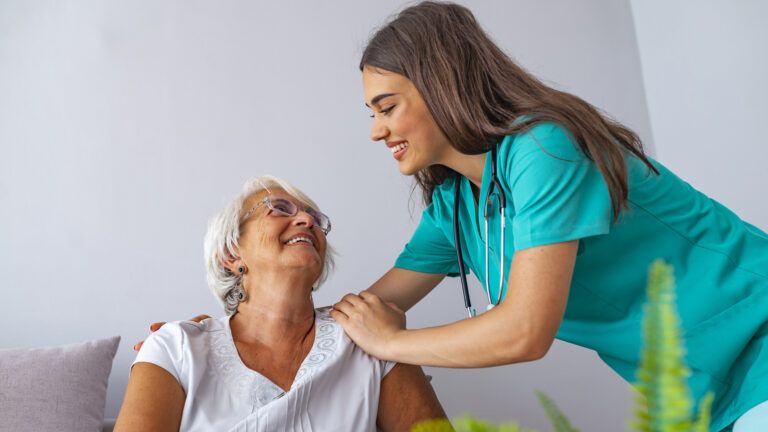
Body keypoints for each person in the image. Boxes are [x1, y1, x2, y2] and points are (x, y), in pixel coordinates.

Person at [325, 2, 768, 432]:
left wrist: (391, 343)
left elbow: (525, 331)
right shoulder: (455, 206)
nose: (376, 131)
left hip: (756, 343)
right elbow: (373, 309)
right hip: (706, 397)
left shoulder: (546, 148)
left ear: (442, 86)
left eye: (387, 108)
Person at [116, 175, 446, 432]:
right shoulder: (176, 348)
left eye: (316, 219)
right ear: (232, 254)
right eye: (280, 209)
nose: (307, 221)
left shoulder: (370, 338)